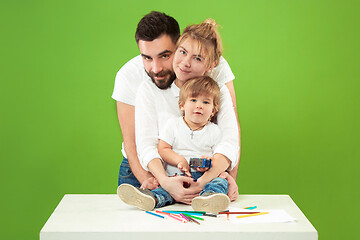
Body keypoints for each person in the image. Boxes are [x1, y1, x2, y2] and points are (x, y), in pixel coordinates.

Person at [112, 11, 240, 202]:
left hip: (204, 168)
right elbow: (136, 143)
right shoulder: (135, 80)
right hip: (150, 167)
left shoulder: (215, 72)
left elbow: (231, 136)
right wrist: (158, 181)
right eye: (147, 57)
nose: (156, 68)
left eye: (165, 55)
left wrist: (226, 176)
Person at [118, 76, 230, 212]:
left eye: (206, 102)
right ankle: (151, 198)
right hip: (175, 177)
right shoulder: (173, 125)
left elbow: (219, 155)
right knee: (163, 189)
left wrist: (208, 162)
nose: (199, 105)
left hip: (203, 180)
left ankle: (208, 198)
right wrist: (179, 160)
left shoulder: (214, 131)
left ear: (213, 110)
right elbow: (163, 148)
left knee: (221, 182)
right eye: (193, 100)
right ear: (182, 105)